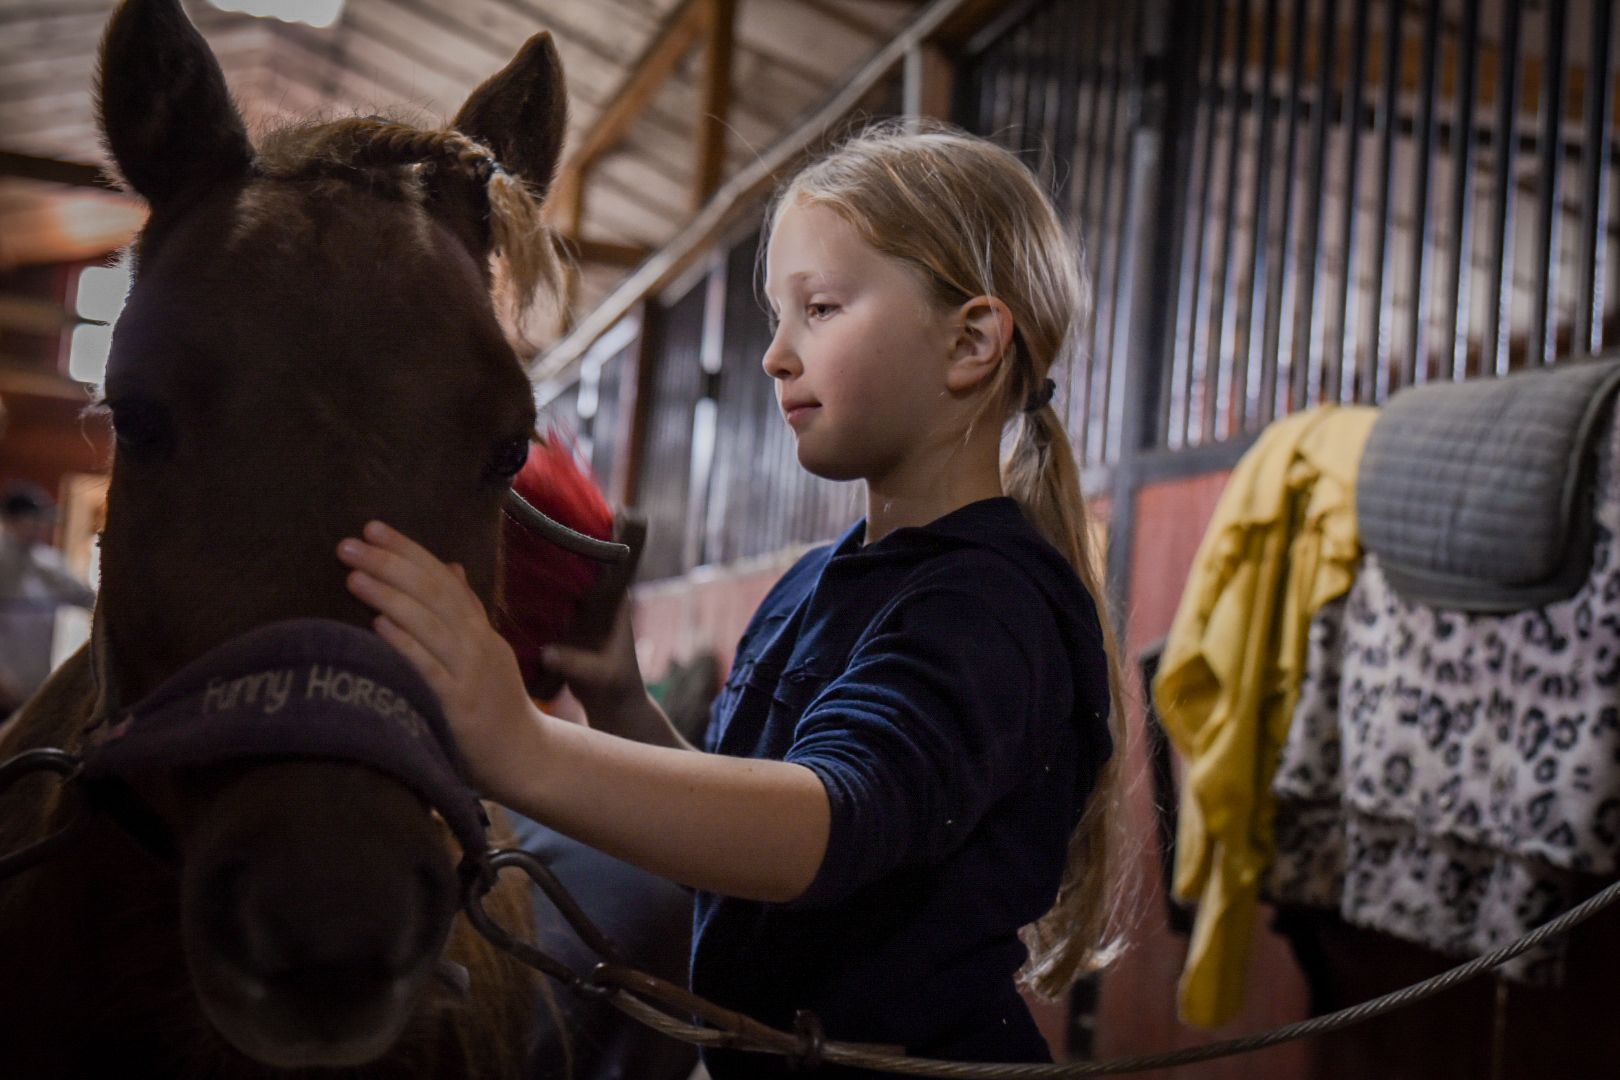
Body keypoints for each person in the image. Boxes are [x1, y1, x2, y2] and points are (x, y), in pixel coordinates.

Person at [336, 121, 1127, 1077]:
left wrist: (521, 744)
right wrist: (620, 704)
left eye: (822, 309)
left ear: (970, 341)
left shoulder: (989, 602)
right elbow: (738, 841)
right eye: (775, 320)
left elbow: (821, 828)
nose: (775, 357)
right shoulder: (817, 581)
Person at [0, 481, 97, 721]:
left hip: (34, 684)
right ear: (11, 520)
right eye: (31, 519)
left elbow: (87, 598)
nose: (38, 527)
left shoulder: (49, 563)